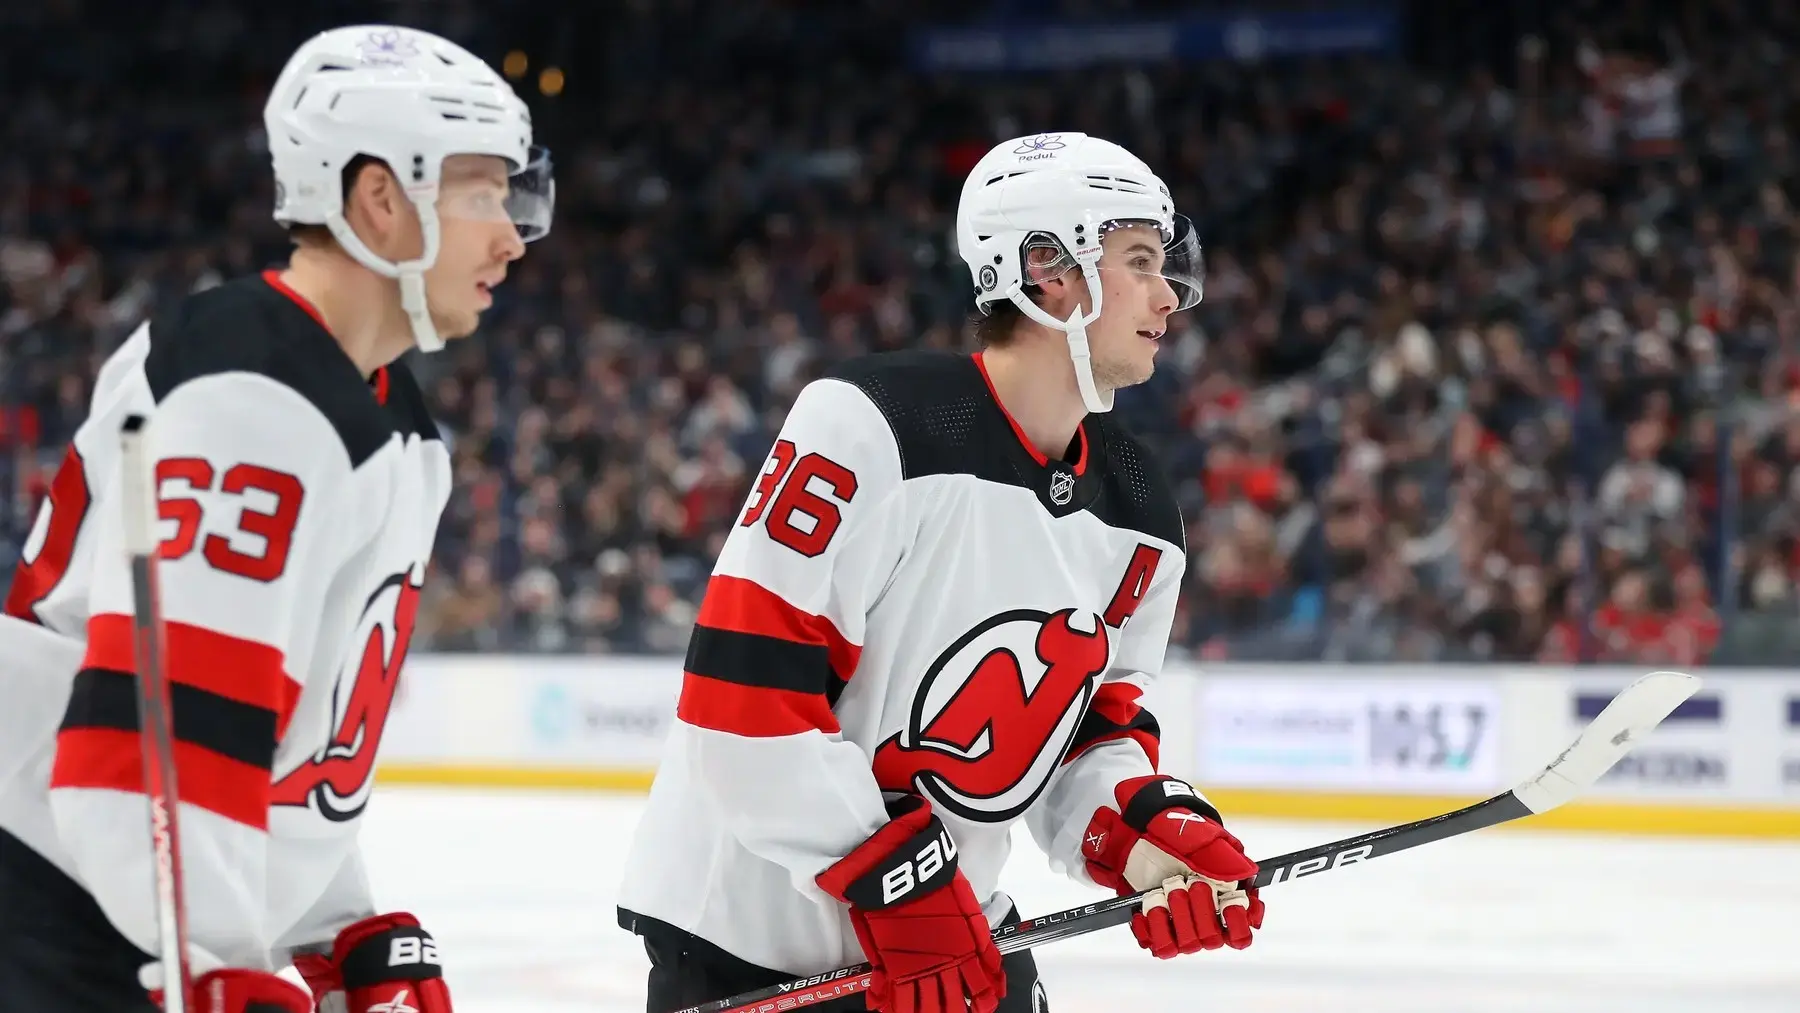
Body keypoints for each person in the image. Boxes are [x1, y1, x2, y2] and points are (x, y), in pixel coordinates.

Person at [618, 132, 1263, 1013]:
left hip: (956, 941)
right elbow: (743, 700)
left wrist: (1146, 834)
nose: (1170, 295)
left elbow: (1081, 730)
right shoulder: (868, 423)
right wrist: (897, 882)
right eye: (1141, 261)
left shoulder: (1142, 509)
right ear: (1049, 268)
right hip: (757, 954)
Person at [0, 24, 552, 1013]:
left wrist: (339, 928)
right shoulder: (249, 387)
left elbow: (285, 746)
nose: (512, 232)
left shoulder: (394, 418)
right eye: (482, 193)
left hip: (125, 915)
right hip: (66, 914)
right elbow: (148, 738)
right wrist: (213, 957)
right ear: (383, 198)